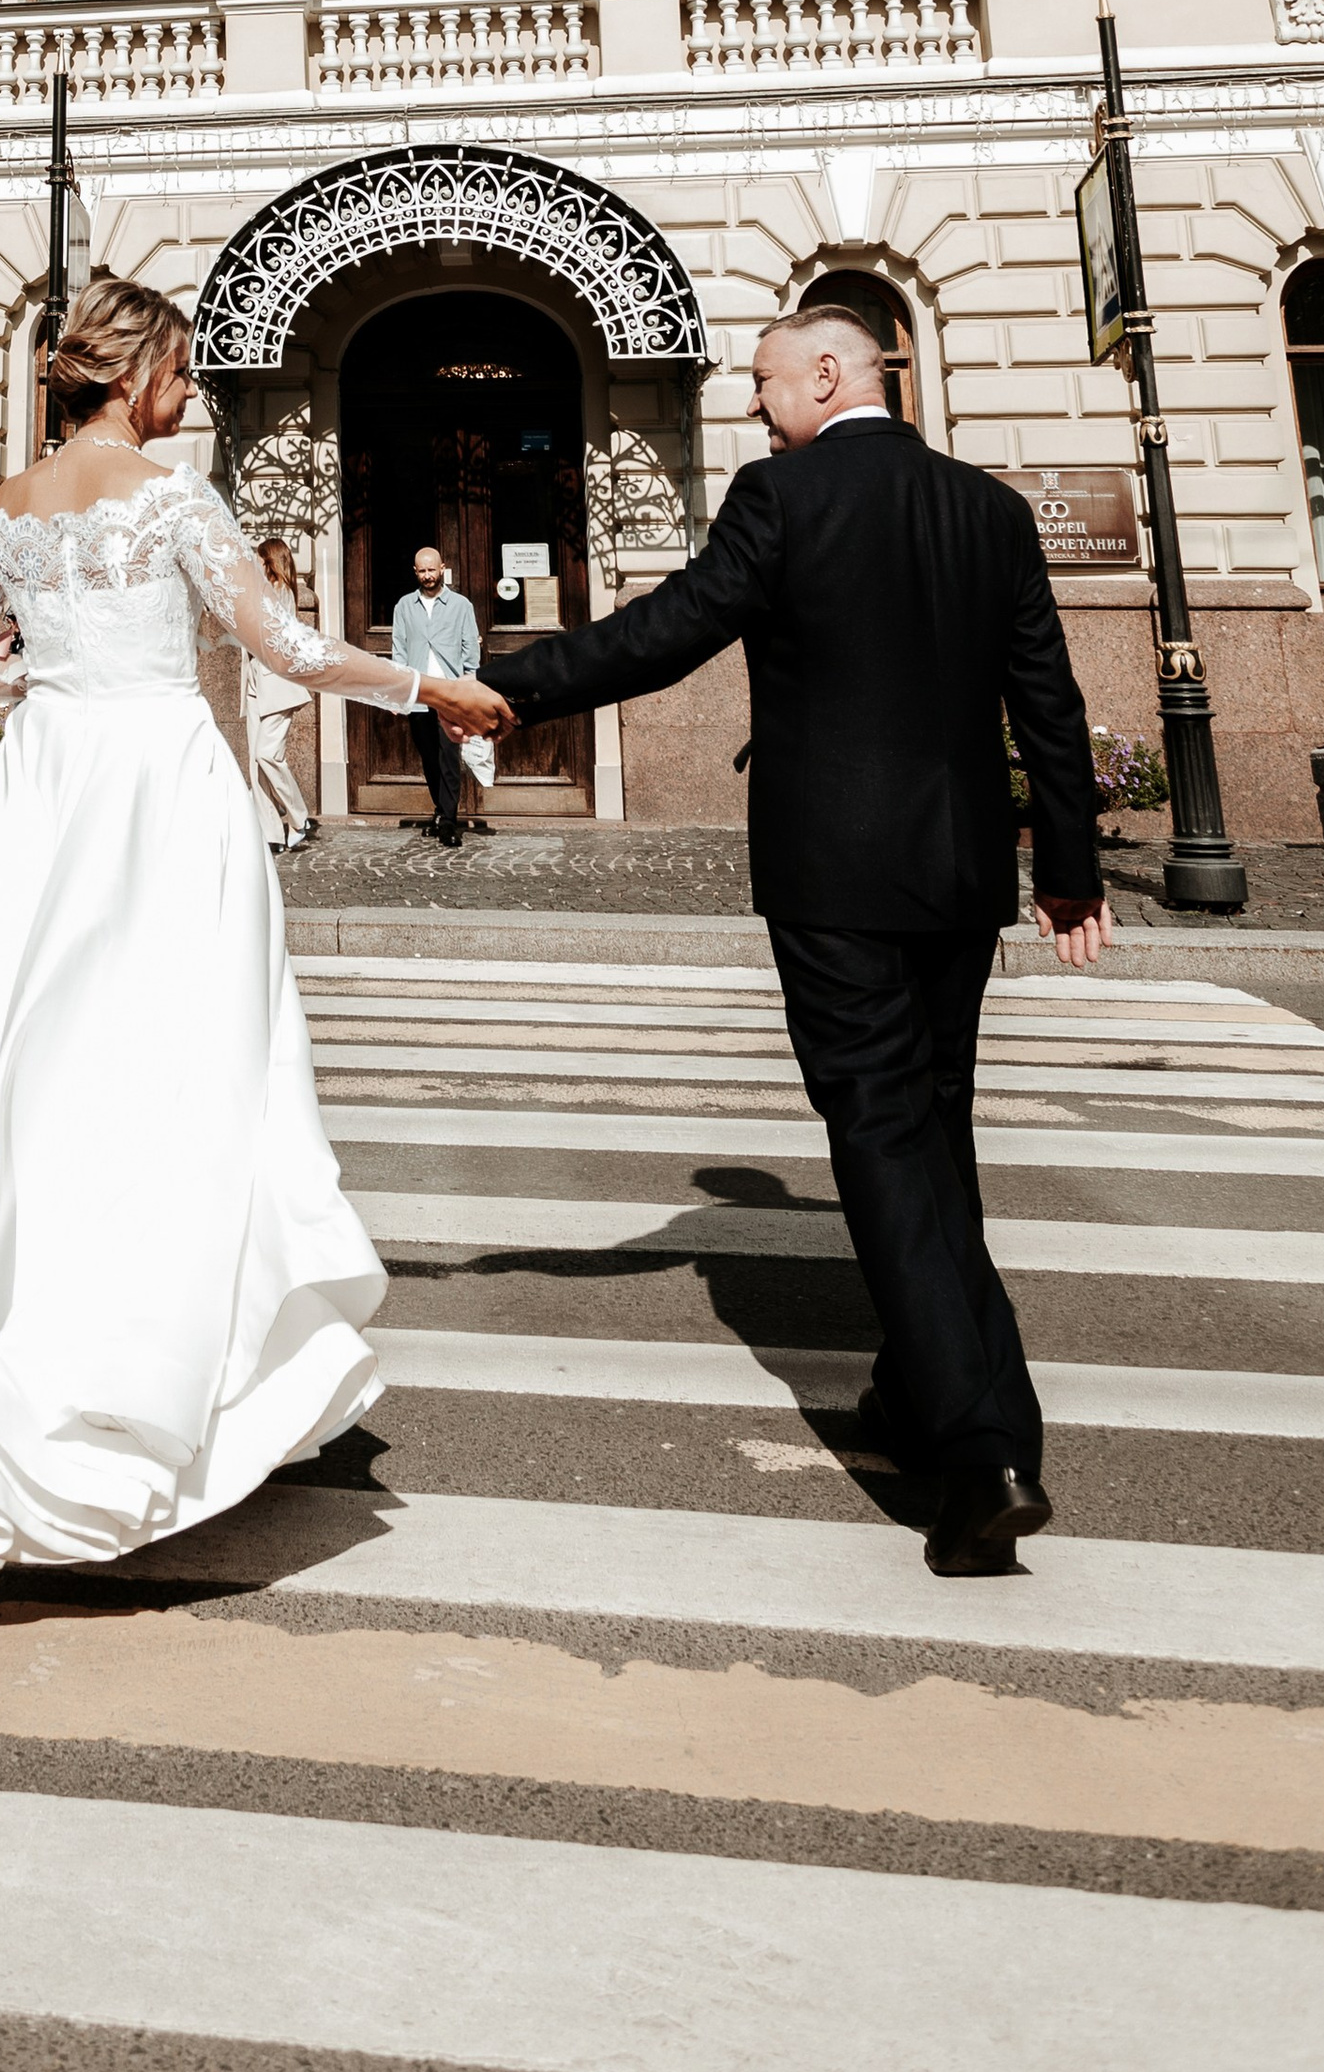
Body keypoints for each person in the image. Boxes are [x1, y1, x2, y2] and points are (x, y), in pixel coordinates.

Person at [450, 302, 1101, 1580]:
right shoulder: (990, 510)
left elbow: (669, 631)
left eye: (762, 381)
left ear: (824, 372)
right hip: (961, 872)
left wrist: (513, 684)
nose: (752, 404)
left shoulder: (782, 496)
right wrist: (1067, 870)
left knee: (879, 1139)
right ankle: (925, 1397)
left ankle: (982, 1452)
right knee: (931, 1131)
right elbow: (1050, 701)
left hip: (833, 870)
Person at [0, 278, 499, 1566]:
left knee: (60, 1081)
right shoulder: (173, 496)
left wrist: (55, 684)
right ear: (132, 376)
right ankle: (197, 1383)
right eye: (180, 369)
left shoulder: (11, 503)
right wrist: (428, 689)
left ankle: (57, 1390)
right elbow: (281, 644)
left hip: (53, 784)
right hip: (158, 783)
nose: (192, 390)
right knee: (197, 1069)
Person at [392, 544, 483, 847]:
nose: (428, 576)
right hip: (419, 693)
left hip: (450, 693)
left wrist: (472, 685)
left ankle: (448, 820)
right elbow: (399, 651)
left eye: (432, 569)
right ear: (415, 572)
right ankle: (440, 808)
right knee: (429, 757)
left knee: (449, 756)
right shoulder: (404, 606)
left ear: (442, 568)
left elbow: (471, 648)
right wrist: (397, 693)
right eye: (422, 571)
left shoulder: (461, 605)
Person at [242, 535, 316, 851]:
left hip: (278, 685)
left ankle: (300, 818)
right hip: (256, 681)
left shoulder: (281, 593)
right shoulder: (262, 591)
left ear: (270, 562)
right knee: (255, 765)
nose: (255, 568)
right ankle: (271, 832)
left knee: (267, 755)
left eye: (259, 562)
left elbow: (267, 632)